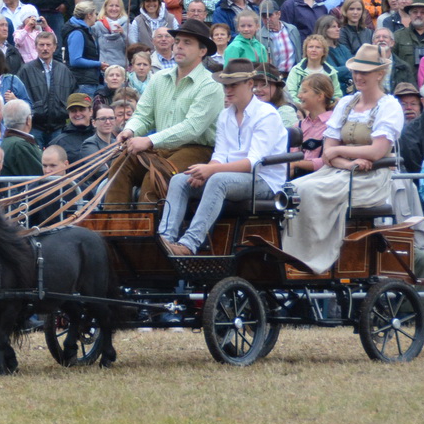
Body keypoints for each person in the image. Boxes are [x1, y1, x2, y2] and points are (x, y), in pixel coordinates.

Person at [280, 43, 406, 273]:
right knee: (293, 188)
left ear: (380, 74)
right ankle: (291, 254)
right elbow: (328, 150)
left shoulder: (389, 106)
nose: (358, 76)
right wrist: (345, 161)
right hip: (340, 170)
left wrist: (340, 152)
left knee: (311, 192)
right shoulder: (347, 103)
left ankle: (314, 258)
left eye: (365, 72)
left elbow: (377, 152)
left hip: (371, 178)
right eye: (356, 71)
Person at [155, 60, 290, 256]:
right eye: (226, 85)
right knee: (179, 180)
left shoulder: (267, 114)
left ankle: (189, 244)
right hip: (232, 177)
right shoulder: (225, 115)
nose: (228, 90)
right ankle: (165, 238)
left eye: (234, 85)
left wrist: (211, 170)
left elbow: (252, 163)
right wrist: (205, 171)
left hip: (266, 181)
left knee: (218, 180)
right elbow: (219, 155)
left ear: (250, 84)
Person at [110, 18, 220, 203]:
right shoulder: (159, 79)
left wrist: (149, 140)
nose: (179, 47)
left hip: (197, 150)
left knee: (154, 179)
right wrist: (130, 130)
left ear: (202, 51)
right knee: (120, 165)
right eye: (177, 42)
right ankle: (113, 226)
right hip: (160, 148)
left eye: (187, 43)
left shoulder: (211, 85)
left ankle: (148, 231)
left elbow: (192, 128)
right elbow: (143, 115)